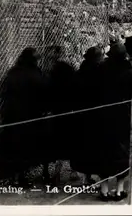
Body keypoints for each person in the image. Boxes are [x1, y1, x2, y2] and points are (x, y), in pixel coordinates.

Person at [94, 43, 132, 202]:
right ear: (124, 56)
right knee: (122, 151)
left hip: (102, 116)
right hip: (123, 115)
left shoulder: (100, 70)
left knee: (104, 150)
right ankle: (119, 190)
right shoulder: (128, 72)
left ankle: (104, 190)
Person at [0, 47, 47, 187]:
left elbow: (4, 93)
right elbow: (42, 92)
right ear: (33, 61)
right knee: (26, 147)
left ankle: (13, 177)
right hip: (29, 116)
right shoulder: (35, 73)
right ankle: (21, 177)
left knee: (12, 146)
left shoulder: (13, 73)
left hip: (12, 115)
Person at [70, 46, 104, 185]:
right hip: (96, 114)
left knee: (82, 144)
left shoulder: (79, 73)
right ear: (97, 58)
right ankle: (91, 175)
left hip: (81, 114)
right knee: (95, 145)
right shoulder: (100, 73)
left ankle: (85, 176)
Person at [43, 46, 77, 184]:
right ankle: (72, 169)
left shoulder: (48, 71)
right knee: (69, 138)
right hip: (68, 109)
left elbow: (46, 91)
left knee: (54, 140)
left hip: (56, 110)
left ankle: (54, 171)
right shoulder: (68, 68)